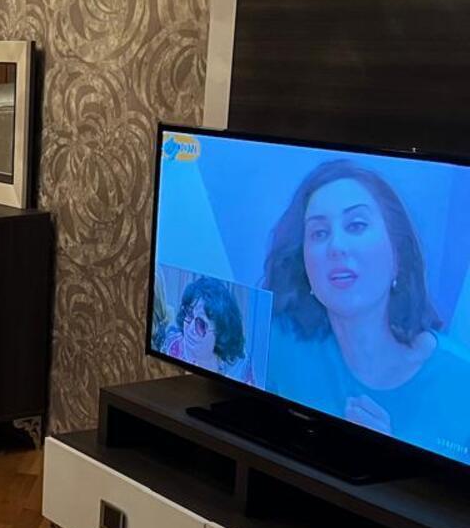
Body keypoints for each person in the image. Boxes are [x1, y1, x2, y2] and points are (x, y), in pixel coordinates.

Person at [262, 159, 470, 462]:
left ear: (398, 255)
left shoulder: (462, 383)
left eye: (356, 225)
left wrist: (388, 455)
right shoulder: (277, 344)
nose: (336, 246)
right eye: (319, 233)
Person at [161, 275, 252, 381]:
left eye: (201, 324)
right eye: (189, 314)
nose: (190, 329)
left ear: (220, 333)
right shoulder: (171, 345)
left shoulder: (239, 368)